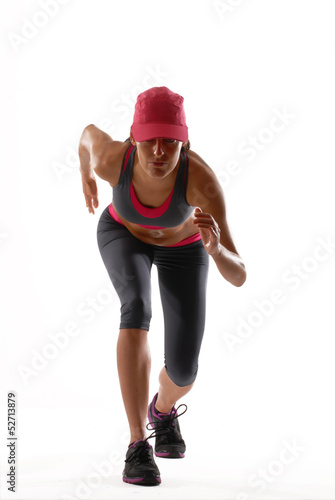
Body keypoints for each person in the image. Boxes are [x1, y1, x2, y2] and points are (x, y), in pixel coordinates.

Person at [78, 86, 246, 486]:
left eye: (169, 141)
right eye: (149, 138)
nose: (158, 151)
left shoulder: (201, 180)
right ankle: (138, 445)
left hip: (184, 249)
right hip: (123, 234)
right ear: (133, 137)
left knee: (185, 371)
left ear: (185, 143)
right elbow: (86, 134)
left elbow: (239, 274)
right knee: (136, 308)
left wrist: (217, 249)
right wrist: (85, 173)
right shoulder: (111, 160)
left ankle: (163, 411)